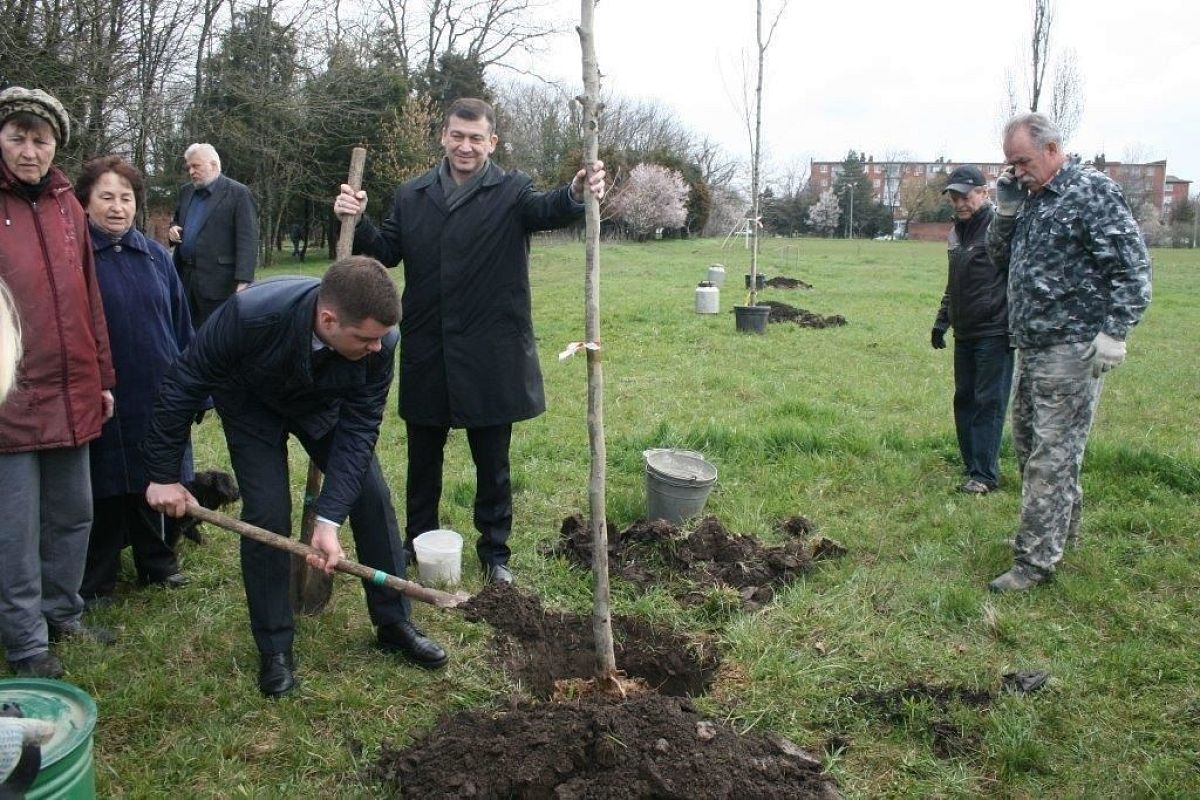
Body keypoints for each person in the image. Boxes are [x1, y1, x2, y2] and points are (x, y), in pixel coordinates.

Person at [142, 257, 447, 698]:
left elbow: (360, 429)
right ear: (328, 320)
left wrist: (328, 521)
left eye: (381, 338)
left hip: (322, 403)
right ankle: (275, 648)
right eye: (366, 338)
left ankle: (394, 621)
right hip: (250, 404)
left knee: (371, 494)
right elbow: (184, 382)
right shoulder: (248, 315)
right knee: (267, 512)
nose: (378, 347)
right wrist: (163, 474)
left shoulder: (381, 340)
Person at [334, 97, 606, 586]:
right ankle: (418, 539)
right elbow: (388, 251)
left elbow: (548, 209)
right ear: (443, 136)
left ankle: (494, 552)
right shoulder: (413, 194)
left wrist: (576, 192)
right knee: (423, 457)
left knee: (492, 462)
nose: (466, 146)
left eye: (476, 138)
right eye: (457, 136)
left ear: (491, 142)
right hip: (429, 346)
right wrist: (357, 218)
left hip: (490, 351)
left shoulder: (512, 190)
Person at [985, 113, 1152, 592]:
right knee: (1029, 448)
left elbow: (1133, 268)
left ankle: (1034, 563)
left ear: (1053, 149)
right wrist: (1007, 210)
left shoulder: (1089, 192)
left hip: (1072, 346)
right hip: (1032, 344)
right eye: (1010, 163)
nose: (1016, 171)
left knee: (1051, 457)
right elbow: (999, 258)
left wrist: (1115, 331)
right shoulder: (1031, 199)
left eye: (1022, 161)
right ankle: (1061, 534)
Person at [0, 86, 118, 679]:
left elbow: (88, 297)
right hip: (10, 397)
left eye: (39, 139)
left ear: (55, 146)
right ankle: (25, 641)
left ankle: (62, 613)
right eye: (17, 136)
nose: (28, 150)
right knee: (15, 528)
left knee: (74, 512)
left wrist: (102, 374)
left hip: (73, 388)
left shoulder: (69, 207)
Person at [75, 156, 194, 606]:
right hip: (101, 390)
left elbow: (181, 322)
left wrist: (189, 380)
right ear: (86, 203)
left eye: (125, 198)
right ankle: (97, 578)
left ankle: (158, 563)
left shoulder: (156, 256)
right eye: (106, 197)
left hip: (154, 388)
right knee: (104, 484)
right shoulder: (77, 258)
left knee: (154, 474)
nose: (117, 207)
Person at [931, 165, 1013, 495]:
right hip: (964, 331)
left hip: (994, 330)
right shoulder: (957, 233)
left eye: (965, 196)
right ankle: (972, 466)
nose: (960, 203)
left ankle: (985, 474)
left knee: (988, 402)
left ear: (984, 193)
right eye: (954, 197)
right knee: (964, 399)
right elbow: (955, 283)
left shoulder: (999, 228)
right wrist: (942, 320)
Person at [167, 143, 259, 326]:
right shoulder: (186, 192)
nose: (191, 171)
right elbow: (177, 219)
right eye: (189, 167)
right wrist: (173, 229)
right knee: (184, 332)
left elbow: (247, 240)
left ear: (214, 165)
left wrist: (244, 281)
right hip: (185, 278)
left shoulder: (238, 193)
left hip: (219, 283)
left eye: (196, 166)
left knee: (216, 336)